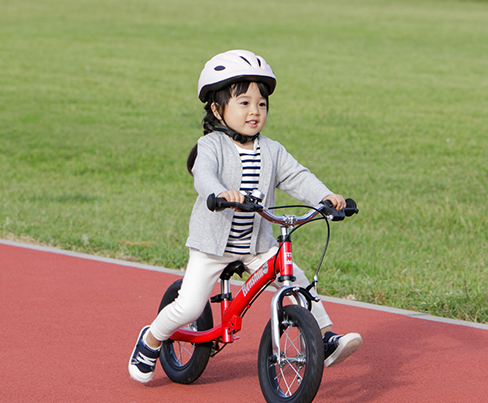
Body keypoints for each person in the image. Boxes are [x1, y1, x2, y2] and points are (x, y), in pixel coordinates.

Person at [129, 49, 362, 383]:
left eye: (262, 104)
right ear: (217, 108)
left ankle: (323, 339)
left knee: (294, 276)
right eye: (244, 103)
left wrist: (325, 196)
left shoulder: (271, 149)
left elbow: (297, 176)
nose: (255, 111)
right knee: (190, 307)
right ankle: (151, 339)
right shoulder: (212, 145)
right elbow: (203, 172)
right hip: (212, 246)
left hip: (256, 244)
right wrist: (220, 193)